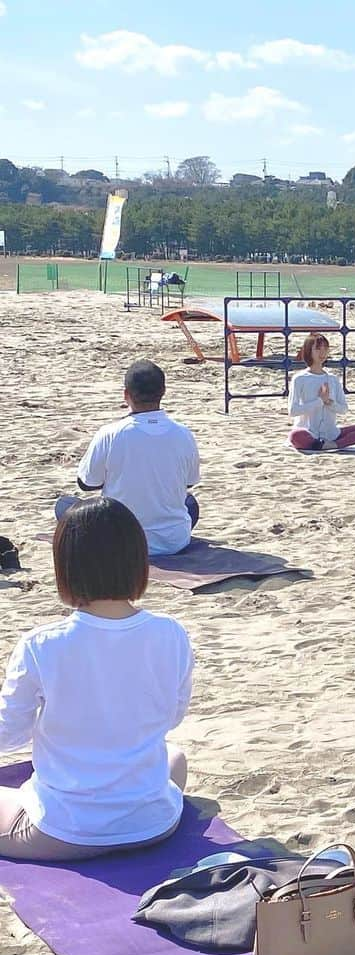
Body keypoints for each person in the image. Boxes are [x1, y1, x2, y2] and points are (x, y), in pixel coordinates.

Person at [0, 499, 191, 861]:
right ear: (138, 562)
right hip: (154, 824)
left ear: (66, 568)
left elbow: (8, 737)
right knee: (175, 756)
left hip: (64, 831)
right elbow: (172, 718)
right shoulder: (171, 633)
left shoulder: (42, 645)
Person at [56, 360, 200, 557]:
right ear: (163, 391)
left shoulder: (111, 433)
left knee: (64, 505)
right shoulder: (184, 433)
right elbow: (189, 482)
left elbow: (87, 483)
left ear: (126, 395)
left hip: (121, 540)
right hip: (174, 541)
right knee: (189, 503)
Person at [288, 333, 355, 452]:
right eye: (318, 349)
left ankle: (332, 445)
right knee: (295, 436)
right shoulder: (300, 378)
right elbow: (293, 411)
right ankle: (318, 444)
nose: (322, 353)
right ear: (308, 351)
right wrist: (319, 401)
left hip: (331, 434)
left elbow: (343, 409)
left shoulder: (333, 379)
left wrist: (329, 402)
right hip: (308, 432)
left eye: (325, 349)